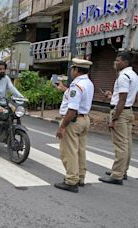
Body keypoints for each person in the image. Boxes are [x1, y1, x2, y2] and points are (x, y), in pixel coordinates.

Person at [54, 58, 94, 193]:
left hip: (73, 121)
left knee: (69, 151)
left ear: (76, 70)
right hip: (84, 119)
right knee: (80, 150)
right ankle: (80, 177)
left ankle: (71, 180)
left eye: (72, 69)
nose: (71, 71)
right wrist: (64, 89)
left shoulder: (76, 86)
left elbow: (72, 109)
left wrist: (62, 126)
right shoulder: (88, 83)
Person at [99, 51, 138, 185]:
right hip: (128, 111)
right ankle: (122, 170)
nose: (115, 62)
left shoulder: (123, 76)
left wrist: (114, 119)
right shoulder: (133, 75)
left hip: (120, 113)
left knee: (120, 145)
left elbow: (122, 99)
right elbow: (127, 97)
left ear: (125, 62)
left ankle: (117, 176)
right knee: (127, 143)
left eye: (118, 60)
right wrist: (112, 96)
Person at [0, 61, 24, 141]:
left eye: (4, 69)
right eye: (0, 69)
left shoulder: (6, 78)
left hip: (3, 100)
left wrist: (21, 96)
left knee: (12, 111)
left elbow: (12, 88)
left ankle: (8, 130)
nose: (2, 71)